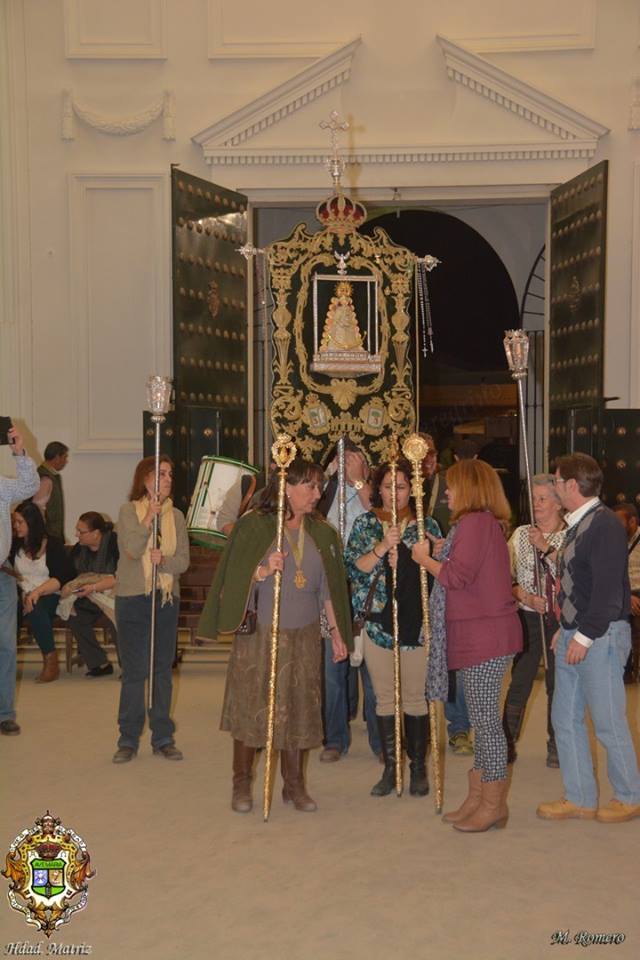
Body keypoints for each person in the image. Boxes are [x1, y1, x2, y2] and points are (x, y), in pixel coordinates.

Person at [198, 457, 351, 814]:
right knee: (253, 707)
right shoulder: (254, 526)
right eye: (310, 486)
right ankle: (241, 783)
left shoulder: (323, 532)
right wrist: (262, 571)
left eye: (319, 486)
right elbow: (233, 578)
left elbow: (328, 590)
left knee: (298, 708)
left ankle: (293, 785)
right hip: (262, 635)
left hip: (305, 635)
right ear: (287, 487)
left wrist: (337, 633)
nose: (317, 493)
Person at [412, 458, 522, 832]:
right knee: (482, 720)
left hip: (485, 637)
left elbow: (456, 577)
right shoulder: (478, 524)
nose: (447, 492)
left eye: (453, 485)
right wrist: (445, 549)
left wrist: (424, 559)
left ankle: (492, 804)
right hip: (481, 635)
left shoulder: (475, 523)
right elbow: (468, 568)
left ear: (470, 488)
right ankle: (479, 798)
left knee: (486, 724)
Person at [537, 454, 640, 823]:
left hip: (600, 636)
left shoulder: (605, 524)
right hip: (577, 633)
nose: (553, 487)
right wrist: (565, 629)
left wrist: (581, 636)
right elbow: (579, 585)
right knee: (564, 718)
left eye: (556, 480)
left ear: (571, 485)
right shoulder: (579, 523)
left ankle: (629, 796)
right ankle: (579, 797)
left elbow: (609, 593)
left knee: (608, 720)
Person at [345, 459, 444, 798]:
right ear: (379, 489)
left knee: (415, 697)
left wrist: (437, 552)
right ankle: (391, 768)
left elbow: (440, 573)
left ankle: (417, 768)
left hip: (416, 624)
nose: (394, 494)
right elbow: (354, 569)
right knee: (385, 698)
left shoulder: (426, 525)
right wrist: (383, 546)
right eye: (388, 487)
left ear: (412, 489)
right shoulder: (365, 523)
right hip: (377, 623)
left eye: (401, 487)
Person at [112, 455, 190, 763]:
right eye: (161, 474)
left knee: (161, 670)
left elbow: (183, 561)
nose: (168, 479)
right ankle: (128, 739)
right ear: (145, 479)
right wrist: (148, 518)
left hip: (165, 599)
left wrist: (164, 561)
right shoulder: (127, 511)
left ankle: (163, 737)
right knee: (134, 671)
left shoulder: (177, 516)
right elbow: (132, 549)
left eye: (170, 474)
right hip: (133, 598)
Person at [318, 441, 380, 763]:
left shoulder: (371, 489)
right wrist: (329, 477)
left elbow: (380, 515)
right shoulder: (326, 491)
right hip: (332, 589)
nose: (347, 465)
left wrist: (358, 480)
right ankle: (334, 739)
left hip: (369, 591)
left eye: (355, 460)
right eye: (343, 460)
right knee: (333, 671)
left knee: (373, 672)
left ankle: (381, 742)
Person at [503, 474, 566, 767]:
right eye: (534, 498)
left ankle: (556, 743)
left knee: (557, 683)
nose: (536, 504)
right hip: (527, 617)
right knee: (520, 679)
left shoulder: (571, 535)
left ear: (559, 503)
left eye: (543, 499)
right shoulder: (520, 534)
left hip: (560, 621)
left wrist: (545, 547)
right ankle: (505, 742)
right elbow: (505, 577)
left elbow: (573, 573)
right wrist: (525, 596)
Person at [0, 426, 39, 734]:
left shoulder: (0, 486)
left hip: (1, 575)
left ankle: (4, 713)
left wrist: (19, 453)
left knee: (6, 646)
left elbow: (29, 486)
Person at [10, 499, 74, 683]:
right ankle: (7, 661)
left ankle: (50, 662)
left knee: (37, 609)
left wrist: (36, 593)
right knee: (9, 609)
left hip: (49, 593)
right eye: (15, 522)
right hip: (20, 594)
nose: (16, 526)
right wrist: (23, 595)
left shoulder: (53, 544)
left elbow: (61, 578)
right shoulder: (13, 544)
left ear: (32, 523)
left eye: (20, 522)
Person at [68, 512, 119, 677]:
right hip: (89, 597)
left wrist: (95, 586)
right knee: (75, 616)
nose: (77, 535)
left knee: (117, 617)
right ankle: (99, 663)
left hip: (113, 594)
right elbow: (71, 577)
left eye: (81, 531)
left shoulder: (115, 544)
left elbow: (122, 576)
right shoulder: (78, 549)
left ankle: (129, 666)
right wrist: (73, 592)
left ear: (96, 533)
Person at [612, 502, 640, 683]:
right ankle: (624, 670)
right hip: (621, 592)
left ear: (632, 521)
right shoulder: (611, 540)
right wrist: (627, 596)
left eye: (619, 522)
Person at [33, 441, 69, 541]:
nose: (66, 461)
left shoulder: (51, 476)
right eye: (65, 457)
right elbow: (38, 509)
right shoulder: (45, 478)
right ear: (57, 457)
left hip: (51, 534)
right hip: (48, 536)